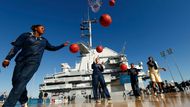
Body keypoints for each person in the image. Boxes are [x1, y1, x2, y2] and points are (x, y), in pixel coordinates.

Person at [2, 24, 69, 107]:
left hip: (33, 63)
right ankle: (24, 101)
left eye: (44, 28)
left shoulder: (44, 41)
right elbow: (16, 47)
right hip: (20, 61)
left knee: (22, 80)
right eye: (42, 28)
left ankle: (8, 105)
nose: (44, 29)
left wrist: (62, 45)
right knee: (15, 81)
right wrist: (7, 59)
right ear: (35, 28)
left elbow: (52, 48)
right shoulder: (25, 35)